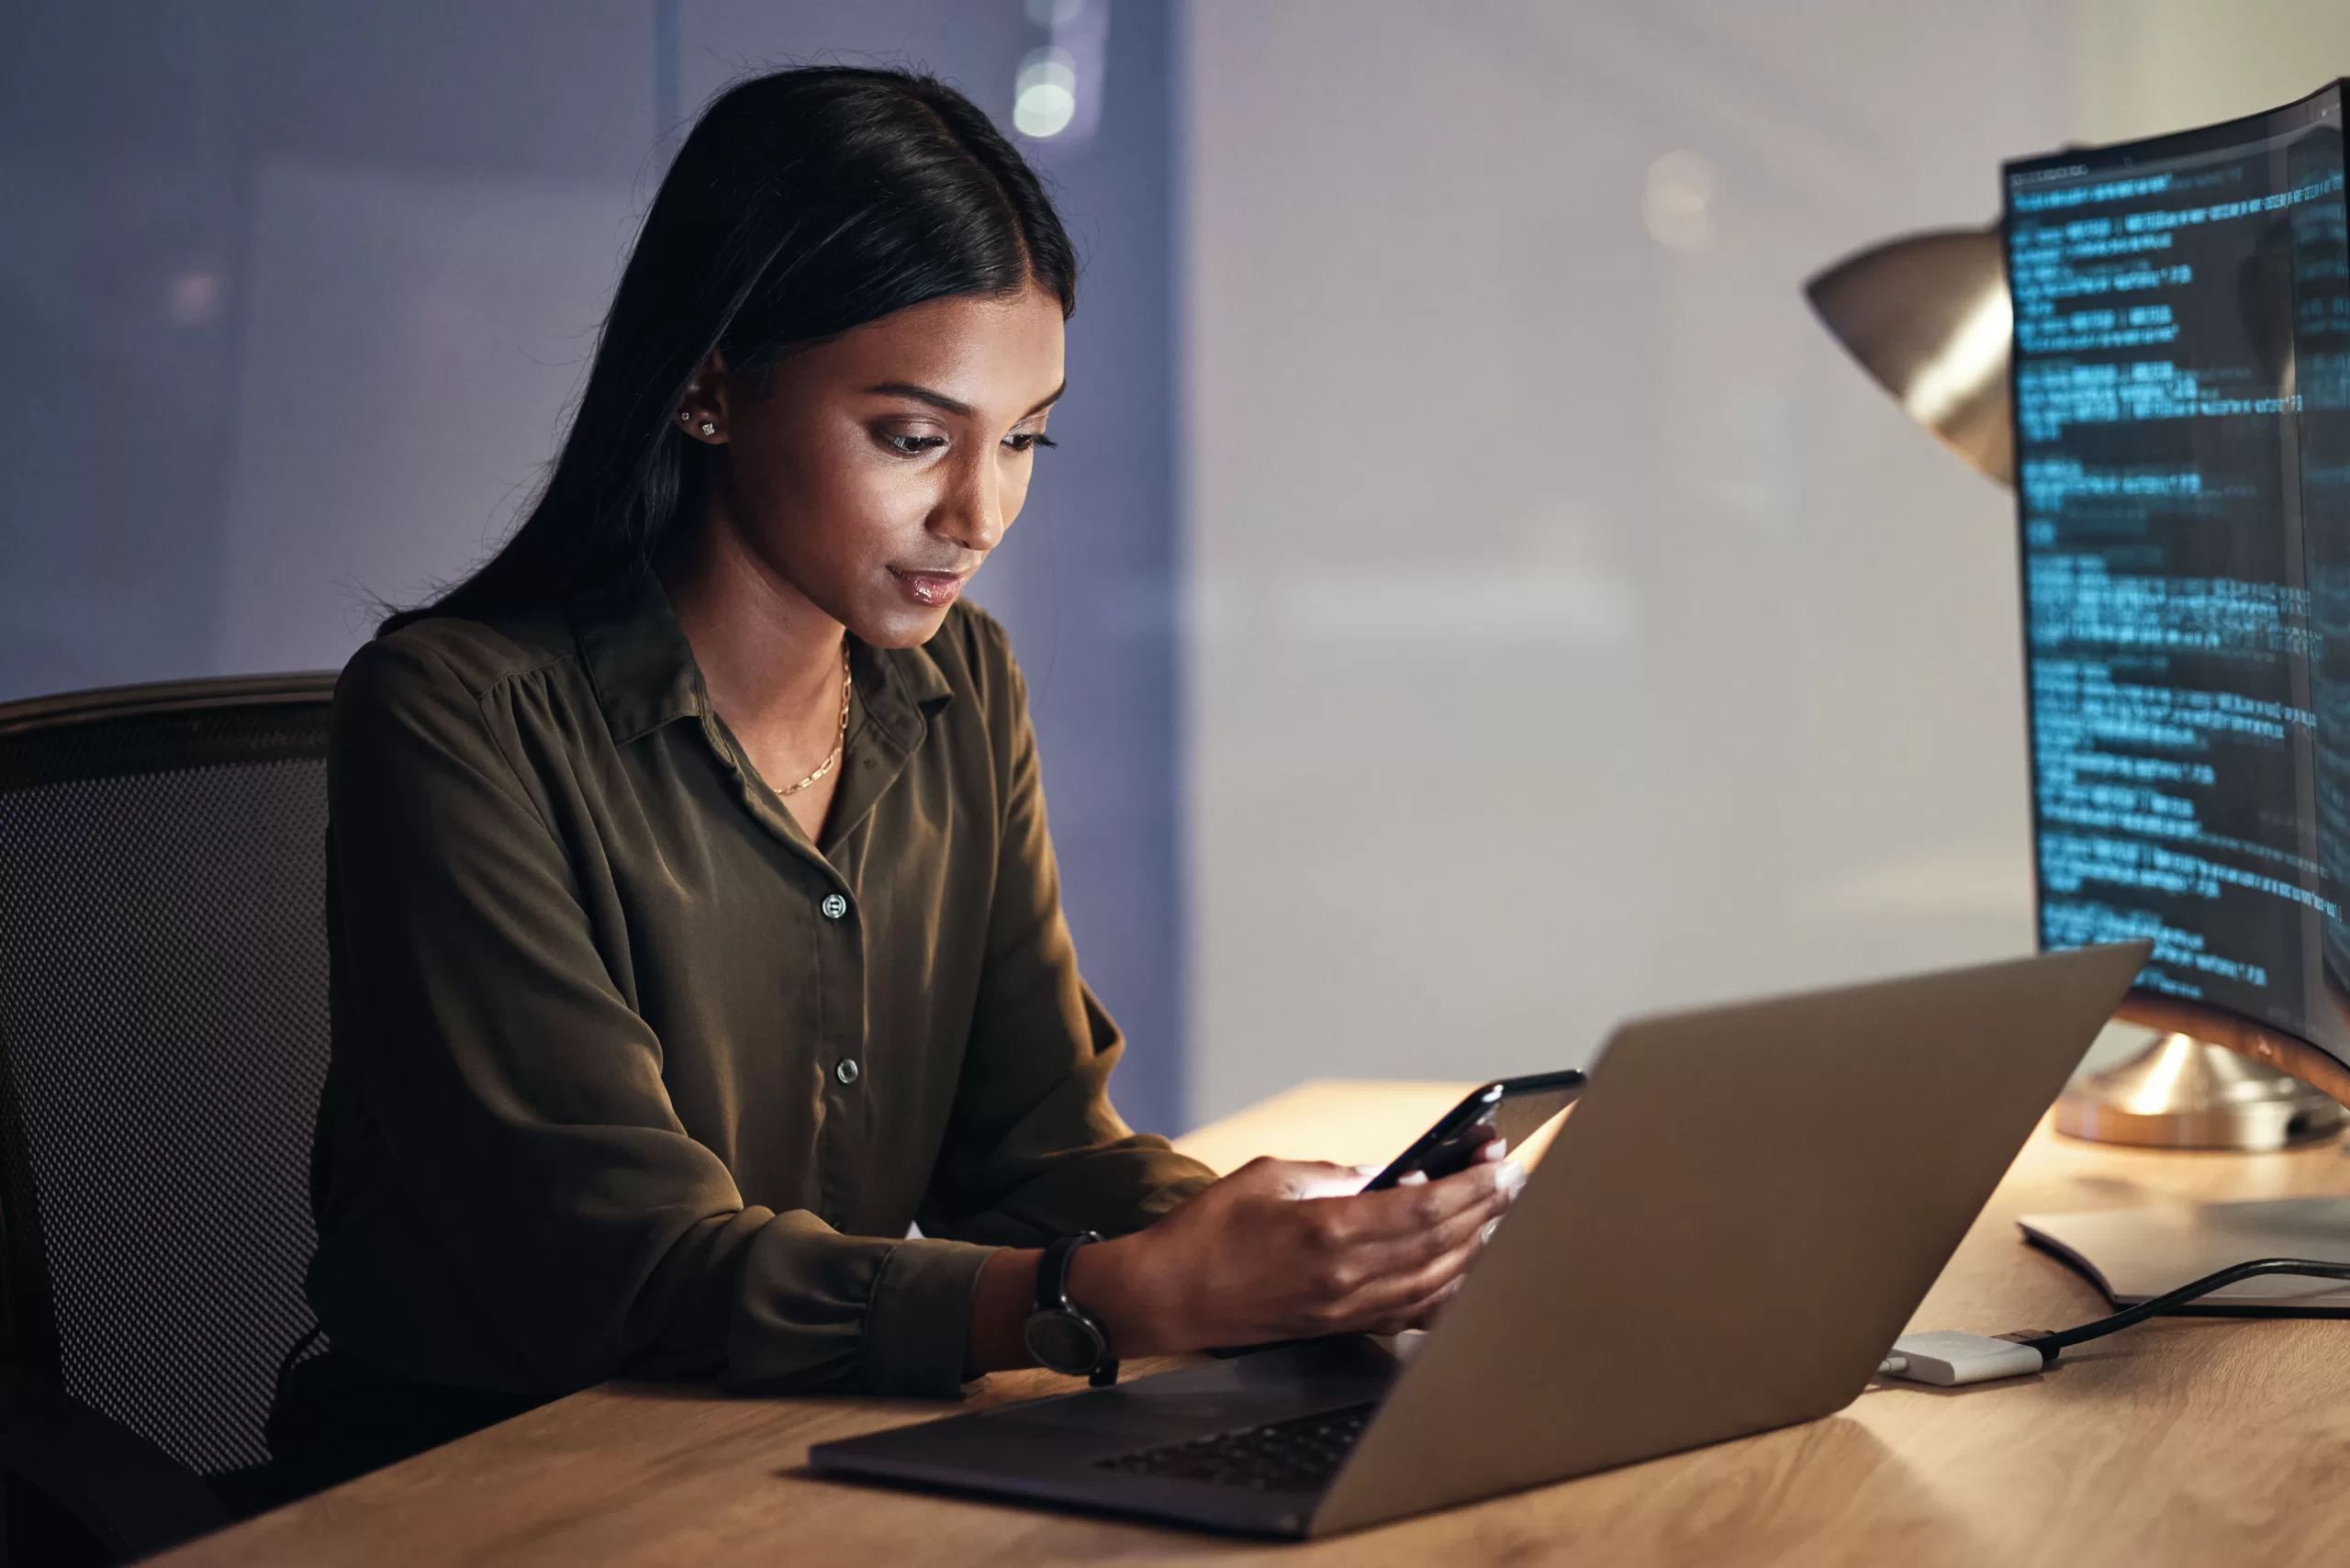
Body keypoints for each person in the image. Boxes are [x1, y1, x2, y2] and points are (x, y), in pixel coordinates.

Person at [268, 64, 1518, 1495]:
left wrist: (1306, 1253)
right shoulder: (456, 716)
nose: (979, 513)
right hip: (490, 1480)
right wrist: (1117, 1297)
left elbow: (1034, 1147)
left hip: (775, 1450)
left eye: (1025, 437)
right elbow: (625, 1263)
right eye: (915, 438)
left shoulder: (955, 686)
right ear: (713, 389)